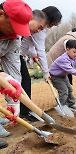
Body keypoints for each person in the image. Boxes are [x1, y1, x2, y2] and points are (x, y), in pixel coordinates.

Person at [19, 6, 62, 121]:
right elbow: (41, 50)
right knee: (25, 81)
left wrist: (33, 54)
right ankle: (24, 111)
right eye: (53, 23)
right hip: (16, 54)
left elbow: (30, 43)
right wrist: (45, 72)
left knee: (23, 81)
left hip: (20, 54)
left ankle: (23, 110)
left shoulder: (41, 28)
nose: (52, 26)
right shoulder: (40, 28)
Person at [0, 0, 32, 148]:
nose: (16, 31)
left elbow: (13, 70)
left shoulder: (14, 38)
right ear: (1, 14)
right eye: (13, 26)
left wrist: (14, 101)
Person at [49, 40, 76, 111]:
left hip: (63, 75)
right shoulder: (64, 59)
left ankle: (71, 104)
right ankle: (62, 106)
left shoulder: (75, 58)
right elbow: (72, 71)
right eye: (74, 52)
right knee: (64, 91)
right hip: (55, 76)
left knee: (69, 89)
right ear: (67, 50)